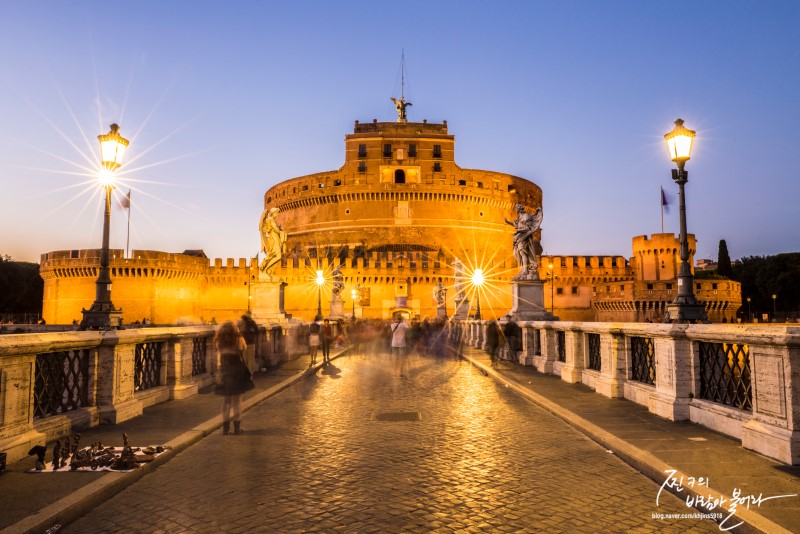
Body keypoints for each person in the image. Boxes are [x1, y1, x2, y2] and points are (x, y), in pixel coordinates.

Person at [214, 321, 252, 435]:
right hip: (237, 370)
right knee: (237, 401)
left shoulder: (219, 340)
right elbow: (244, 348)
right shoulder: (238, 338)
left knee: (226, 401)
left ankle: (225, 428)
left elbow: (218, 355)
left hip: (225, 370)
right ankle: (237, 427)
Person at [504, 204, 543, 280]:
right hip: (518, 237)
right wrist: (507, 222)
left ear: (519, 209)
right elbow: (515, 224)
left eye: (516, 209)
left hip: (525, 237)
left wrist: (518, 230)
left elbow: (528, 228)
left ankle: (525, 270)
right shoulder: (519, 218)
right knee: (517, 253)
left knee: (523, 252)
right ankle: (523, 269)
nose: (516, 210)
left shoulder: (526, 217)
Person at [259, 207, 287, 277]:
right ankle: (265, 269)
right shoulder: (270, 219)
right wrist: (281, 232)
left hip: (274, 238)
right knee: (278, 256)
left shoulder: (269, 219)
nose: (277, 215)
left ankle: (267, 270)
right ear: (274, 213)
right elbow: (275, 229)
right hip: (273, 239)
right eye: (277, 213)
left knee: (276, 256)